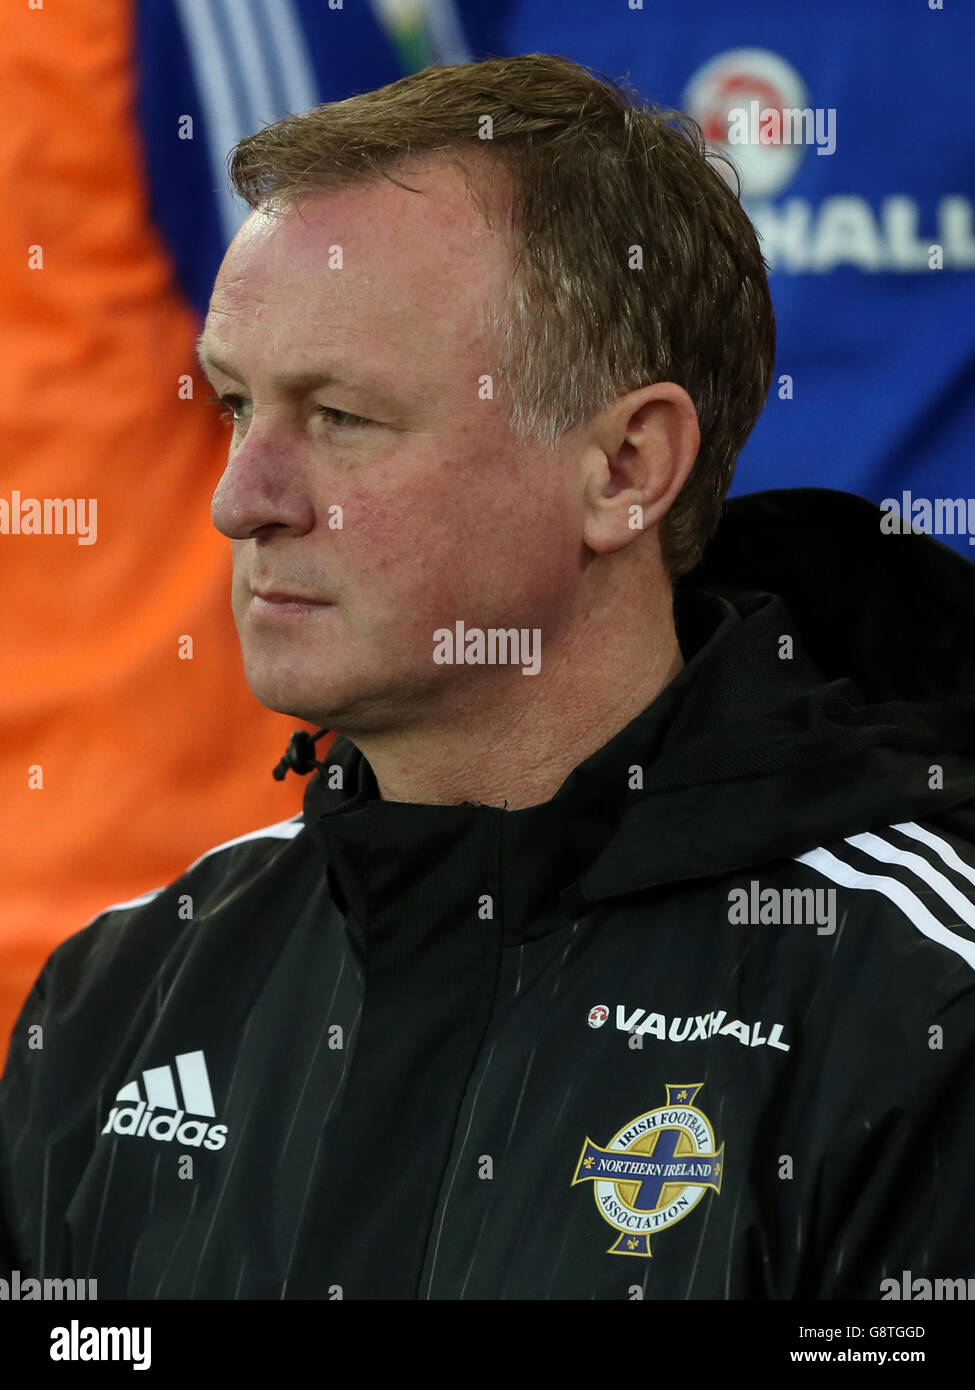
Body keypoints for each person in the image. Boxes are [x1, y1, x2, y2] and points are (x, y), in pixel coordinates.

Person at [2, 52, 974, 1302]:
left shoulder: (915, 1006)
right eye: (239, 405)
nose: (241, 499)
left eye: (342, 417)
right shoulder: (123, 992)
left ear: (626, 468)